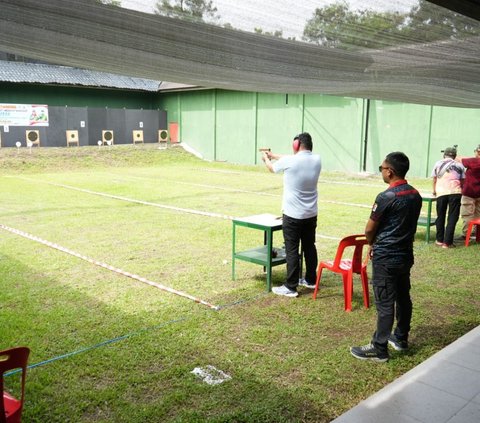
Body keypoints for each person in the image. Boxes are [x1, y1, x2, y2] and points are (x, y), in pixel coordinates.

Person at [350, 152, 422, 362]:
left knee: (384, 303)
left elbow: (370, 229)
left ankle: (379, 348)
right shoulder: (415, 194)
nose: (381, 171)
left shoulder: (386, 197)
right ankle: (400, 337)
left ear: (390, 171)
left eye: (382, 168)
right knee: (403, 297)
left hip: (386, 258)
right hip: (404, 256)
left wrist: (372, 243)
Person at [262, 132, 321, 297]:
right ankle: (310, 279)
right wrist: (274, 155)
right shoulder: (317, 159)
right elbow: (292, 158)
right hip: (311, 214)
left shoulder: (290, 161)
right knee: (310, 246)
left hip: (293, 215)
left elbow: (272, 168)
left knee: (292, 249)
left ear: (296, 145)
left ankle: (290, 286)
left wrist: (266, 159)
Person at [431, 146, 465, 248]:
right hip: (455, 192)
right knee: (452, 217)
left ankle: (439, 240)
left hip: (441, 192)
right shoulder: (459, 165)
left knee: (440, 215)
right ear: (454, 156)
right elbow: (463, 181)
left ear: (444, 154)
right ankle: (447, 242)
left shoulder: (438, 164)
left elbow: (434, 179)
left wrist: (434, 191)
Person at [456, 144, 480, 239]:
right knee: (478, 214)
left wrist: (455, 152)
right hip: (479, 193)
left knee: (467, 214)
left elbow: (459, 159)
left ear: (478, 151)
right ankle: (476, 233)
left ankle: (466, 234)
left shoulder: (474, 161)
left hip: (469, 192)